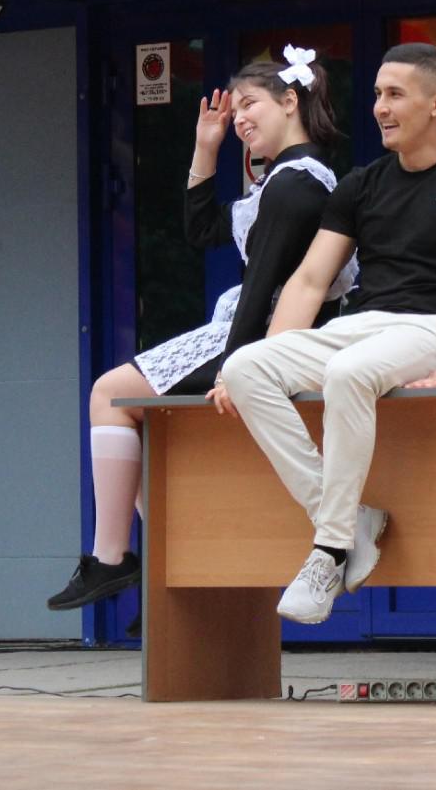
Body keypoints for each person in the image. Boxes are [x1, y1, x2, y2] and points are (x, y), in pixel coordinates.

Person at [215, 42, 436, 626]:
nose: (380, 107)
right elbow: (309, 281)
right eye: (378, 94)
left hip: (432, 331)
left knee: (347, 372)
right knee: (244, 367)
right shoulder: (360, 184)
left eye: (395, 94)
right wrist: (264, 357)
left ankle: (329, 552)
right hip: (360, 325)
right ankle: (349, 520)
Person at [46, 47, 355, 613]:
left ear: (290, 102)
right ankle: (154, 559)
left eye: (250, 104)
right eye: (236, 110)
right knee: (120, 400)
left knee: (110, 394)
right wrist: (205, 147)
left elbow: (262, 285)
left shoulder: (296, 184)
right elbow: (204, 230)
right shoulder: (285, 178)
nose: (239, 119)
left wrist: (235, 370)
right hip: (262, 329)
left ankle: (116, 558)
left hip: (269, 335)